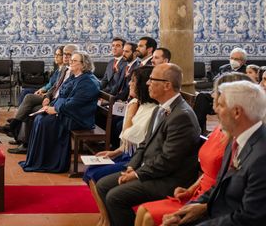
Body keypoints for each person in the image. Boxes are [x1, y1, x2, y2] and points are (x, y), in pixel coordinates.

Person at [135, 72, 250, 226]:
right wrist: (190, 190)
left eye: (219, 102)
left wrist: (204, 207)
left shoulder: (241, 140)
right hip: (202, 193)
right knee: (143, 211)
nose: (214, 108)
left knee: (149, 217)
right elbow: (210, 170)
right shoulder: (221, 129)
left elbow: (231, 190)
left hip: (217, 203)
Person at [95, 63, 201, 226]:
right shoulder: (161, 108)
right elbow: (145, 143)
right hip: (152, 170)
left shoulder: (182, 116)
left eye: (152, 79)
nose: (147, 83)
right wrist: (132, 166)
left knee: (115, 196)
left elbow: (168, 159)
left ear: (167, 85)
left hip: (170, 179)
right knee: (102, 185)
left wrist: (138, 174)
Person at [162, 80, 266, 226]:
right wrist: (184, 212)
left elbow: (249, 217)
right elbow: (219, 187)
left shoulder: (261, 156)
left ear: (237, 112)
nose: (215, 110)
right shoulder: (235, 140)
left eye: (221, 105)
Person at [85, 66, 157, 224]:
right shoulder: (139, 104)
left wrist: (130, 111)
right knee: (91, 170)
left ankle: (108, 220)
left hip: (137, 160)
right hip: (128, 153)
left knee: (97, 175)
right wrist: (115, 152)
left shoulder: (152, 109)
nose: (129, 84)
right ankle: (105, 217)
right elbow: (126, 142)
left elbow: (129, 135)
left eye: (133, 81)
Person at [19, 50, 100, 173]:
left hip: (78, 117)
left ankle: (51, 162)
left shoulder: (88, 81)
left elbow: (75, 103)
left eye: (74, 61)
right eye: (71, 60)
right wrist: (50, 106)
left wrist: (56, 110)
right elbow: (61, 95)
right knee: (39, 118)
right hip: (66, 111)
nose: (70, 62)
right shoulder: (74, 76)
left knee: (45, 122)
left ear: (84, 64)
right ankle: (37, 160)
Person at [3, 44, 79, 154]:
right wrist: (47, 96)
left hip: (59, 103)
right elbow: (54, 86)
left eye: (68, 55)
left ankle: (19, 134)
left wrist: (49, 98)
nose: (65, 57)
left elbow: (66, 93)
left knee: (31, 106)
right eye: (64, 54)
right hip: (52, 98)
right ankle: (20, 136)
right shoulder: (64, 70)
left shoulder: (74, 72)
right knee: (28, 97)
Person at [193, 48, 248, 133]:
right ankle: (197, 128)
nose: (233, 61)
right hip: (217, 93)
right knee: (201, 96)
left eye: (236, 59)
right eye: (231, 58)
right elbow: (215, 80)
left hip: (232, 96)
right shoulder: (224, 68)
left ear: (243, 61)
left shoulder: (247, 71)